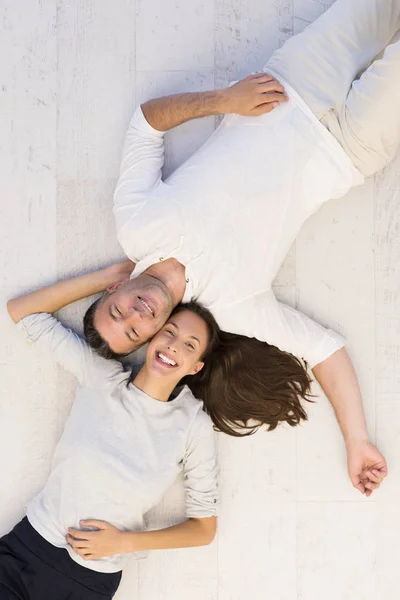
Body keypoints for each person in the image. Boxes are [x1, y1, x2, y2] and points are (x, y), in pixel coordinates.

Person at [80, 0, 396, 495]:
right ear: (154, 335)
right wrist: (357, 440)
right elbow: (325, 350)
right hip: (348, 150)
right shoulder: (231, 307)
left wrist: (224, 100)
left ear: (115, 287)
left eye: (116, 311)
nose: (133, 315)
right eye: (134, 331)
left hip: (291, 83)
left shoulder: (137, 225)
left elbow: (146, 123)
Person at [1, 262, 219, 600]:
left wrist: (125, 542)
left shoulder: (193, 425)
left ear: (196, 367)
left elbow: (204, 529)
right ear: (151, 336)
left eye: (190, 346)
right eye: (170, 332)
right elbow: (23, 312)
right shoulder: (101, 375)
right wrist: (113, 280)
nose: (174, 346)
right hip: (26, 551)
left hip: (89, 583)